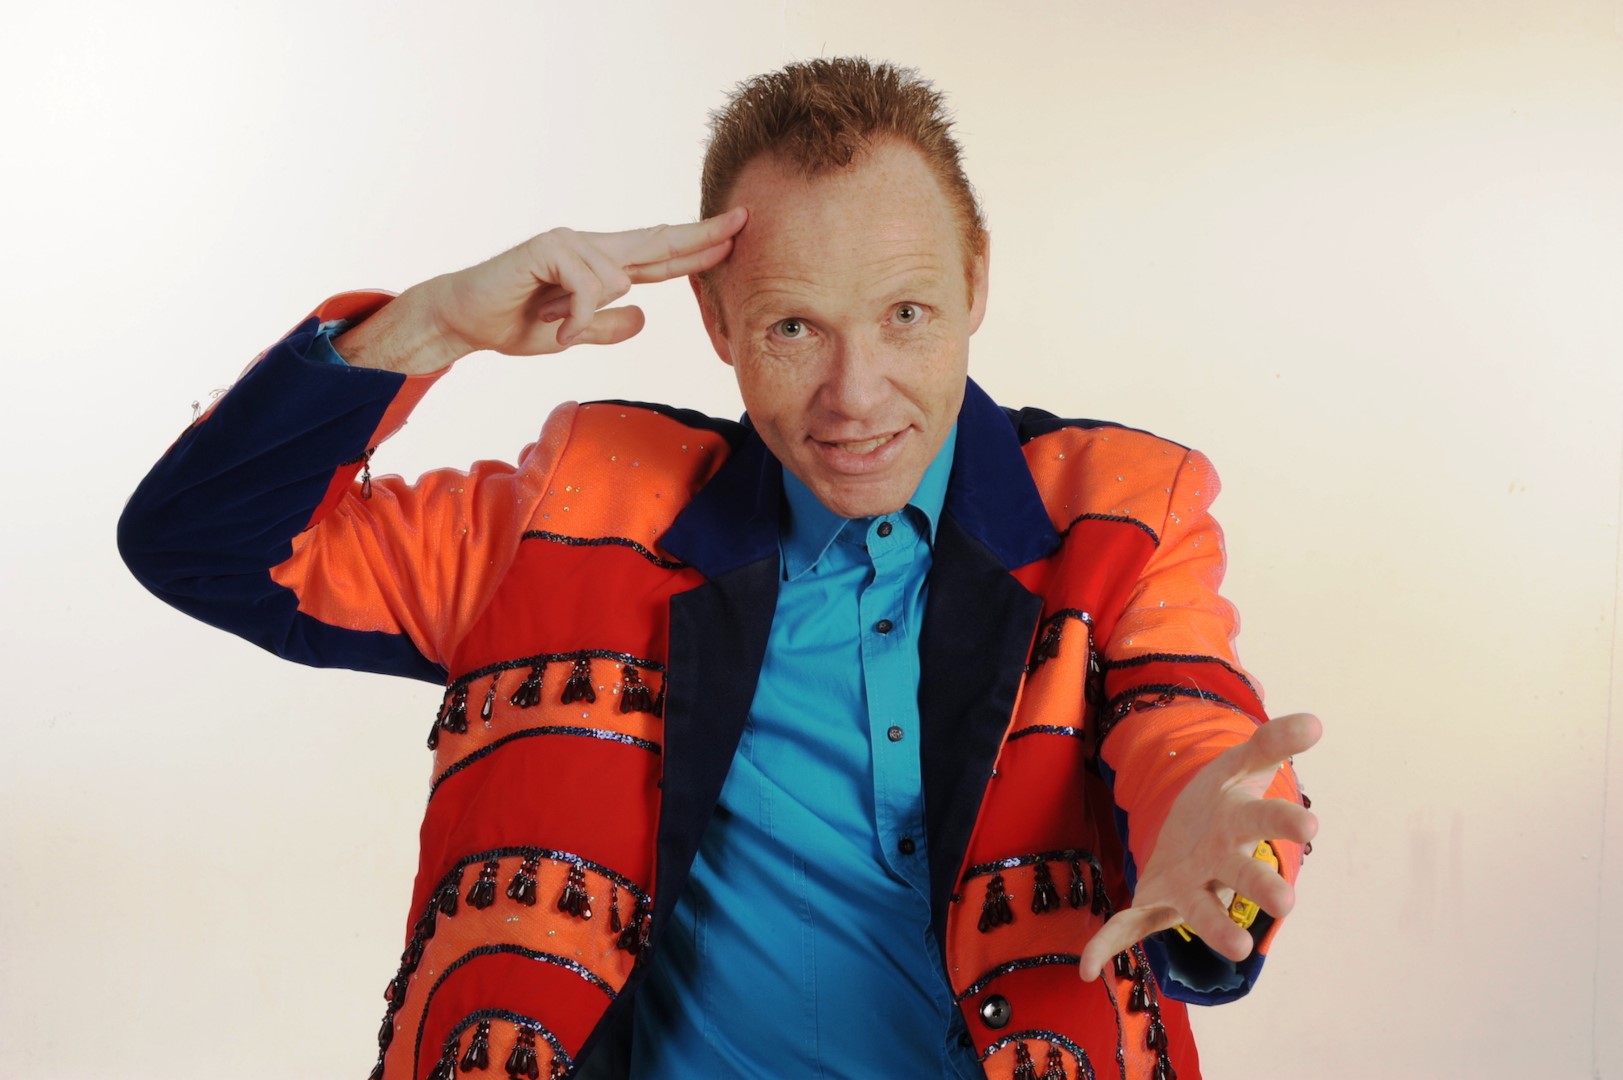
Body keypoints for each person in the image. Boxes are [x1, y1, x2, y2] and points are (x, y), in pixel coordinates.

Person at [119, 58, 1318, 1080]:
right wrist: (429, 327)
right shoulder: (577, 516)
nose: (856, 396)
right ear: (716, 319)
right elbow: (201, 540)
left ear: (977, 283)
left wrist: (1215, 834)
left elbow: (1189, 726)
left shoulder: (1120, 514)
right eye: (795, 327)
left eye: (906, 314)